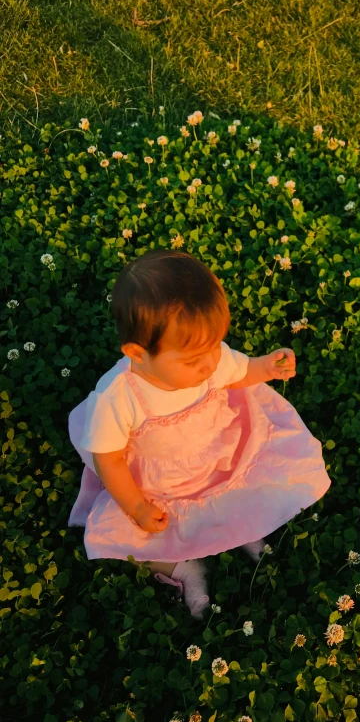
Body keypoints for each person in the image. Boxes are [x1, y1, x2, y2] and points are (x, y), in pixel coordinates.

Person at [68, 249, 331, 619]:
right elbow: (108, 459)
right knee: (142, 539)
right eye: (194, 360)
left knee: (245, 486)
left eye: (214, 347)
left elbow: (237, 371)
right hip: (160, 483)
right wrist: (137, 506)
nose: (210, 363)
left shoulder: (208, 358)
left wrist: (264, 367)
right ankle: (182, 569)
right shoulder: (117, 399)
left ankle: (243, 527)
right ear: (138, 353)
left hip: (218, 454)